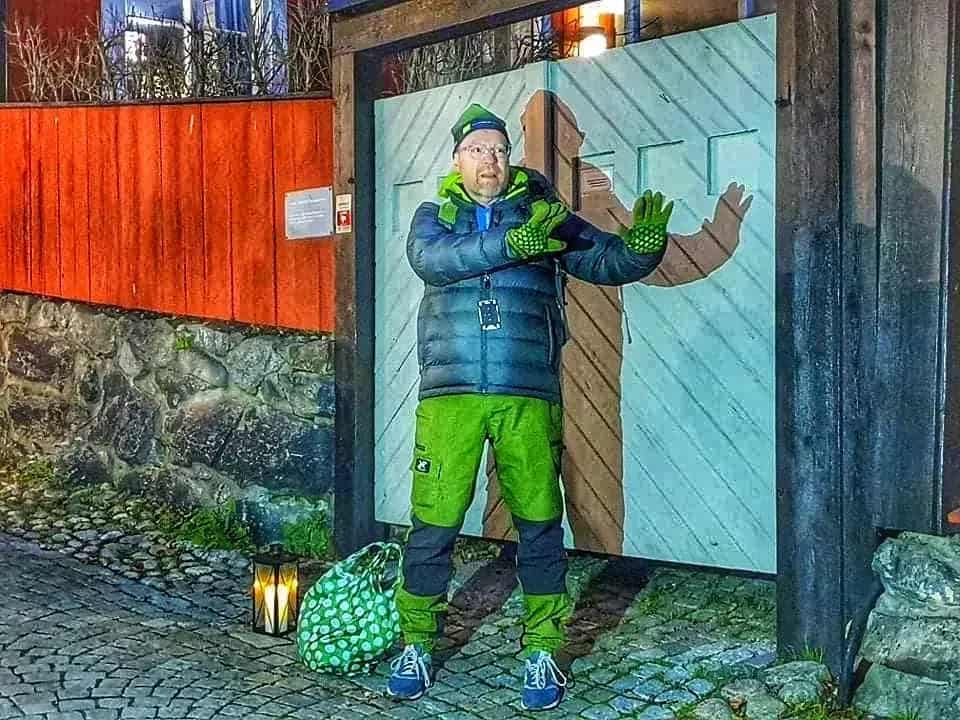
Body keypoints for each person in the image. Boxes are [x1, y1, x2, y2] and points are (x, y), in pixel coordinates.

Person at [385, 103, 675, 712]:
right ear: (457, 158)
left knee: (540, 520)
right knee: (433, 522)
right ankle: (416, 641)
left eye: (497, 149)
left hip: (526, 389)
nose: (488, 160)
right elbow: (432, 261)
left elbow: (606, 260)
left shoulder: (546, 214)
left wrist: (643, 249)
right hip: (451, 393)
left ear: (508, 156)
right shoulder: (434, 215)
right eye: (476, 149)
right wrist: (511, 244)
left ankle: (542, 649)